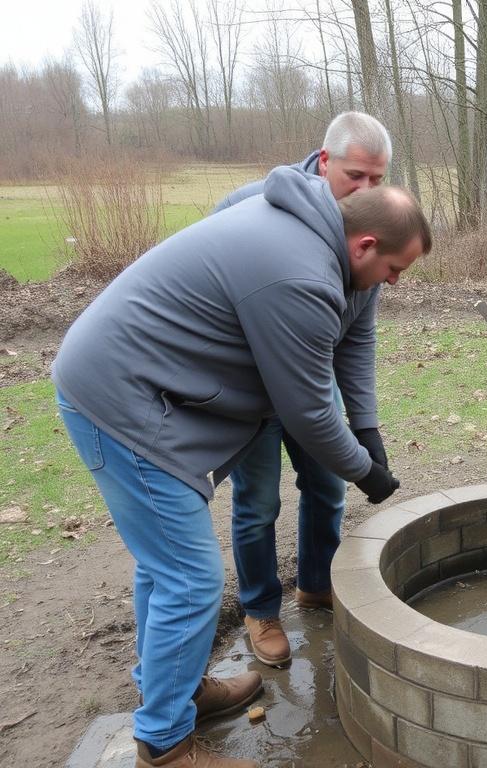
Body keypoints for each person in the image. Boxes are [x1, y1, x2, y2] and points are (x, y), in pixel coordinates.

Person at [52, 172, 429, 767]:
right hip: (122, 403)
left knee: (163, 568)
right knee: (190, 578)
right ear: (364, 246)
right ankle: (166, 744)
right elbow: (305, 409)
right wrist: (366, 471)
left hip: (135, 389)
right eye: (394, 269)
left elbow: (347, 348)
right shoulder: (299, 274)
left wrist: (367, 426)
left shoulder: (319, 242)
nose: (393, 282)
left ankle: (174, 690)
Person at [214, 112, 392, 668]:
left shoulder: (367, 234)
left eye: (377, 180)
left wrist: (365, 428)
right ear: (323, 162)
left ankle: (317, 584)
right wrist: (365, 464)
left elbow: (356, 340)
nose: (365, 190)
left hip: (312, 378)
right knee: (259, 500)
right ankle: (260, 608)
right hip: (252, 389)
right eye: (355, 176)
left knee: (327, 486)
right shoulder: (254, 208)